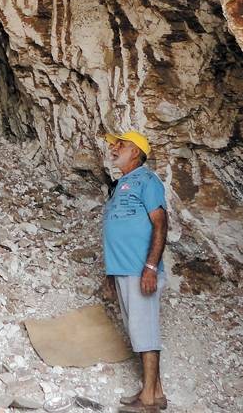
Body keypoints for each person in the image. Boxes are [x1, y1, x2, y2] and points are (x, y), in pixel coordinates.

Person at [99, 130, 169, 412]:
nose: (114, 148)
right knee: (138, 330)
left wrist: (150, 267)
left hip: (140, 269)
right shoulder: (120, 185)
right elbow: (115, 231)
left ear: (137, 152)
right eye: (114, 145)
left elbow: (161, 223)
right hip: (123, 270)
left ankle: (148, 402)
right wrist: (109, 274)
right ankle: (157, 392)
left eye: (122, 145)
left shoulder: (147, 180)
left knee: (145, 331)